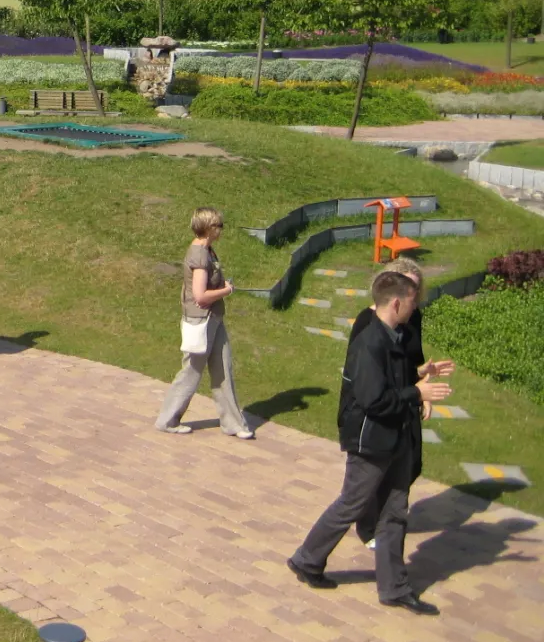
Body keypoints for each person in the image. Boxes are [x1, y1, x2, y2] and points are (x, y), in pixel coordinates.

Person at [288, 271, 452, 616]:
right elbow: (373, 400)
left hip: (396, 436)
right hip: (371, 440)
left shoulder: (395, 336)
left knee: (395, 511)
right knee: (352, 503)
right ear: (397, 303)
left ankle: (394, 588)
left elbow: (393, 381)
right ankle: (306, 559)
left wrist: (421, 374)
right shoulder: (368, 343)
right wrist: (416, 393)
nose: (416, 307)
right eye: (412, 301)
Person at [348, 258, 454, 547]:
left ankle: (386, 521)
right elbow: (365, 379)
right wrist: (415, 392)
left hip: (407, 396)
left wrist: (424, 380)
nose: (413, 297)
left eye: (416, 291)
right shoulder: (367, 324)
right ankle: (370, 526)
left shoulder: (413, 317)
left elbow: (411, 361)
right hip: (382, 404)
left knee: (412, 464)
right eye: (408, 290)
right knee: (371, 477)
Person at [154, 207, 253, 438]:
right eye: (218, 225)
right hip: (201, 322)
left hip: (214, 319)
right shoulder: (199, 255)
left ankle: (233, 424)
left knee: (223, 369)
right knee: (191, 371)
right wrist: (227, 291)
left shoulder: (207, 250)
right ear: (208, 228)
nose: (221, 230)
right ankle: (167, 420)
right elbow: (200, 296)